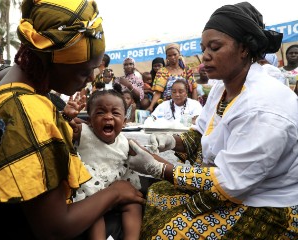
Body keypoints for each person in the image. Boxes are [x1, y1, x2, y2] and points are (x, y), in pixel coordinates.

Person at [0, 1, 144, 239]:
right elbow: (55, 229)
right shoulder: (29, 111)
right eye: (84, 71)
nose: (90, 78)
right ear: (51, 61)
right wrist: (115, 193)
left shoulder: (2, 78)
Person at [127, 2, 298, 239]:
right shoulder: (221, 87)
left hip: (265, 203)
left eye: (215, 47)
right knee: (158, 194)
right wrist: (168, 141)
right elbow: (200, 133)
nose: (205, 55)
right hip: (235, 184)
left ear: (245, 49)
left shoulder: (264, 106)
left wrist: (158, 167)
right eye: (203, 47)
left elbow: (232, 181)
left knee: (166, 233)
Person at [69, 88, 142, 240]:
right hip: (92, 193)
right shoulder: (82, 132)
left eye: (115, 113)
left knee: (134, 205)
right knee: (94, 215)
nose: (108, 117)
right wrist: (68, 117)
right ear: (89, 119)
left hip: (117, 186)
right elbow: (65, 129)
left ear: (124, 121)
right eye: (100, 112)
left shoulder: (124, 141)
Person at [147, 43, 197, 113]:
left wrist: (195, 105)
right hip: (168, 107)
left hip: (185, 106)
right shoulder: (162, 71)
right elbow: (158, 92)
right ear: (166, 57)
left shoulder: (187, 70)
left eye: (174, 54)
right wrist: (151, 106)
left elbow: (194, 88)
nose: (172, 57)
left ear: (179, 54)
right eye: (169, 55)